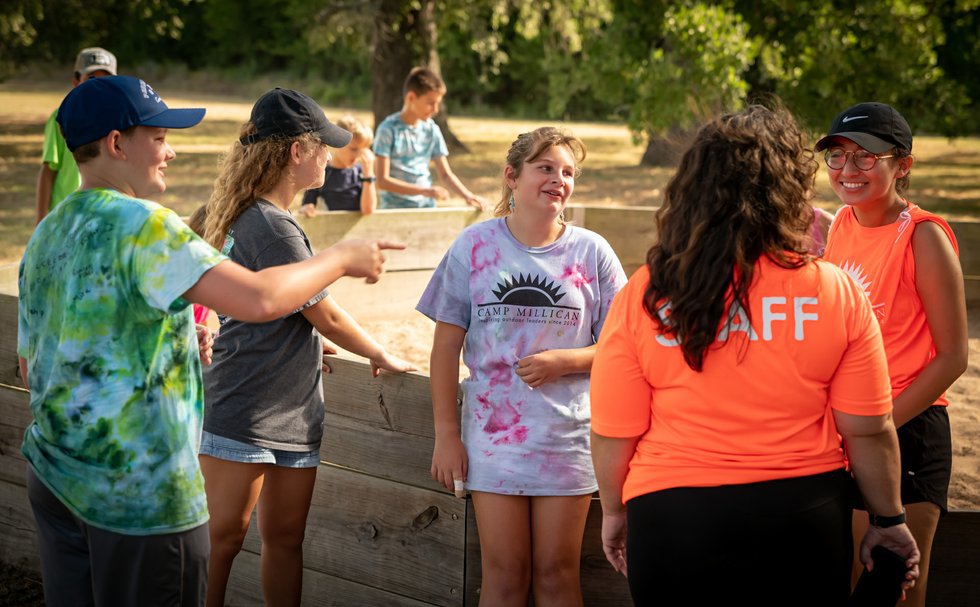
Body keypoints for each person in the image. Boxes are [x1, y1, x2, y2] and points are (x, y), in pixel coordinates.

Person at [17, 75, 399, 607]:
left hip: (57, 482)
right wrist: (341, 258)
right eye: (158, 137)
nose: (170, 152)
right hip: (140, 501)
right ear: (115, 143)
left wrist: (172, 341)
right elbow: (262, 300)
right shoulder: (145, 225)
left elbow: (34, 365)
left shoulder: (48, 234)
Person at [589, 105, 921, 606]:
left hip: (671, 518)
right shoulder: (836, 292)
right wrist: (889, 519)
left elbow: (615, 429)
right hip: (802, 516)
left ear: (693, 188)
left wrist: (615, 512)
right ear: (792, 191)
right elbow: (868, 429)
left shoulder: (646, 294)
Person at [199, 87, 416, 607]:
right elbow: (327, 312)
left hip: (289, 411)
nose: (330, 155)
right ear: (298, 151)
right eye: (323, 146)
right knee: (224, 539)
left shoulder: (258, 216)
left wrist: (299, 343)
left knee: (280, 540)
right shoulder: (273, 226)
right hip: (246, 409)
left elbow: (282, 309)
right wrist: (379, 353)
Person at [418, 127, 627, 606]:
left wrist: (567, 361)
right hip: (493, 440)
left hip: (568, 437)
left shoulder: (592, 252)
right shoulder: (473, 247)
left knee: (556, 576)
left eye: (569, 172)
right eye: (546, 168)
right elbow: (445, 346)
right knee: (506, 577)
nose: (559, 180)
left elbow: (624, 346)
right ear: (512, 177)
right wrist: (447, 434)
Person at [817, 102, 968, 607]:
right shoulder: (841, 224)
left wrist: (875, 425)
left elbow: (952, 357)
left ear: (902, 164)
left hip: (909, 427)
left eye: (866, 158)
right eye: (837, 157)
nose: (847, 171)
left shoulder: (923, 235)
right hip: (849, 428)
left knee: (896, 590)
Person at [374, 67, 489, 210]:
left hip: (426, 208)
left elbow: (446, 174)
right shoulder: (387, 130)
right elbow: (381, 181)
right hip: (394, 210)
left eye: (438, 103)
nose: (435, 109)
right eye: (430, 102)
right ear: (411, 97)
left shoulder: (431, 129)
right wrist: (424, 191)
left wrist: (468, 196)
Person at [35, 47, 117, 225]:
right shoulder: (61, 119)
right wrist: (41, 221)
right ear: (75, 82)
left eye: (106, 80)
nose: (98, 86)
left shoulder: (118, 121)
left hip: (101, 214)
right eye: (91, 79)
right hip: (66, 215)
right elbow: (48, 171)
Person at [299, 115, 378, 215]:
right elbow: (306, 206)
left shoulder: (362, 173)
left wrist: (368, 176)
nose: (358, 155)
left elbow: (368, 210)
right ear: (338, 142)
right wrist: (307, 209)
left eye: (363, 150)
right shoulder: (321, 173)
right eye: (354, 149)